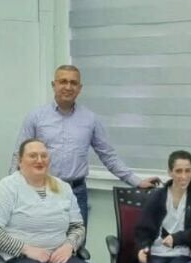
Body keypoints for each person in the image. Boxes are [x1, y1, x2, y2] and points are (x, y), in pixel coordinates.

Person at [12, 65, 158, 225]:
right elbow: (19, 155)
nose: (68, 87)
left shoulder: (90, 119)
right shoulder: (35, 117)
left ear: (79, 88)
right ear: (54, 85)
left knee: (78, 239)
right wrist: (13, 190)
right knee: (43, 237)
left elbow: (108, 156)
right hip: (42, 190)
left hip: (76, 193)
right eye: (63, 81)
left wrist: (137, 181)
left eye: (73, 83)